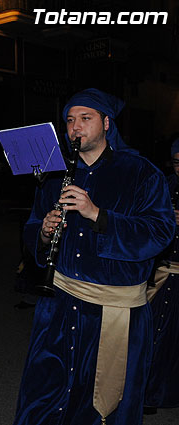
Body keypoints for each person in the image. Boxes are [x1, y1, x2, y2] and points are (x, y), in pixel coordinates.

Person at [14, 88, 175, 425]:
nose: (76, 127)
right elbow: (31, 226)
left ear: (105, 122)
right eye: (70, 120)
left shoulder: (141, 173)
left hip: (113, 311)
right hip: (57, 304)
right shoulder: (54, 173)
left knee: (103, 405)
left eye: (85, 119)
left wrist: (97, 214)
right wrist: (43, 232)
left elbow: (159, 232)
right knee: (45, 396)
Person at [143, 137, 179, 413]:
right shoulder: (164, 184)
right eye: (177, 162)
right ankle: (148, 393)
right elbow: (145, 219)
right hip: (163, 270)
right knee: (153, 333)